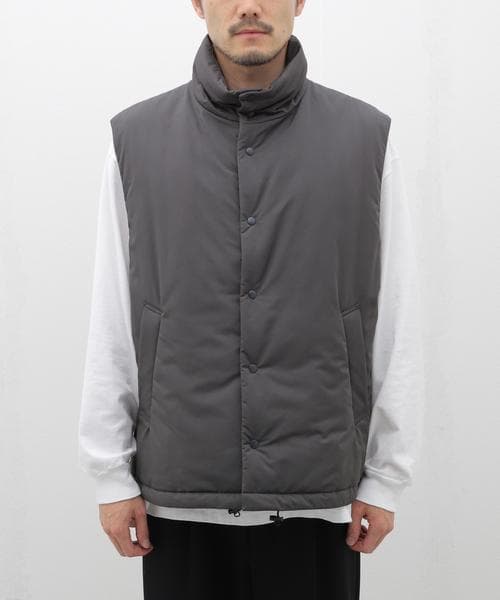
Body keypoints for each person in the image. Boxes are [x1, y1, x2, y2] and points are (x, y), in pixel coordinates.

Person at [78, 1, 425, 598]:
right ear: (198, 4)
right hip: (180, 495)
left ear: (299, 2)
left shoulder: (365, 139)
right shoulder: (137, 140)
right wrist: (111, 473)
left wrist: (386, 477)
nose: (249, 7)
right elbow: (113, 311)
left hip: (317, 498)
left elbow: (396, 313)